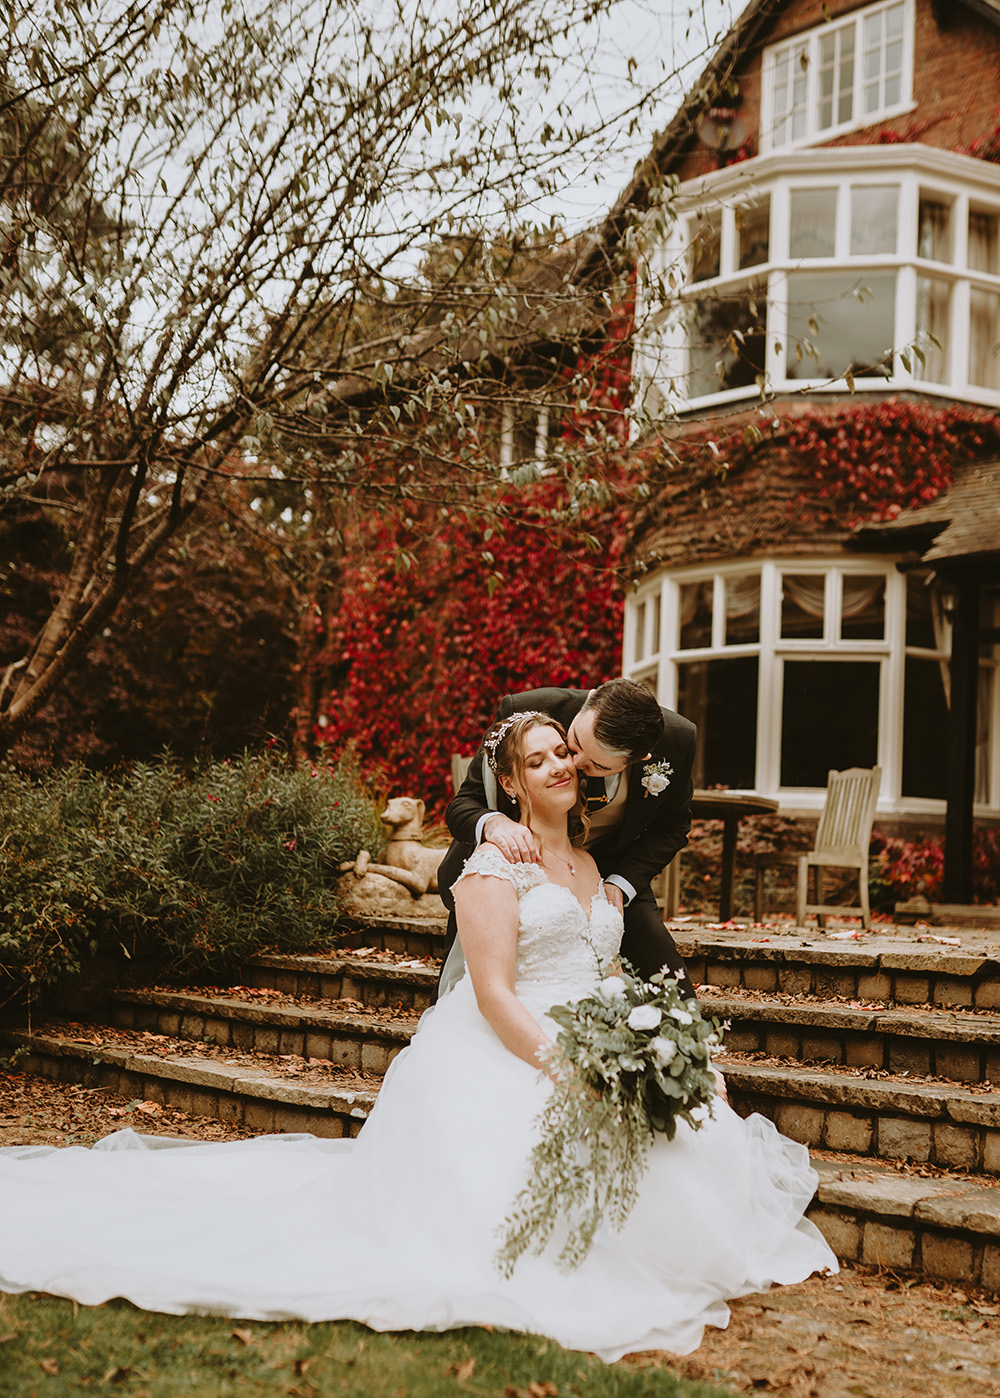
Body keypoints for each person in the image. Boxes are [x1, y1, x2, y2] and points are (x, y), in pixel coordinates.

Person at [0, 714, 835, 1361]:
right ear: (511, 785)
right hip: (521, 1044)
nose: (559, 768)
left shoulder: (591, 868)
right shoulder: (490, 868)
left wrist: (670, 1046)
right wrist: (565, 1067)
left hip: (602, 1030)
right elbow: (495, 990)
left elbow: (606, 970)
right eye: (539, 760)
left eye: (565, 759)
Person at [437, 680, 697, 998]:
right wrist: (495, 825)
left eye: (595, 764)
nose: (570, 765)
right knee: (466, 990)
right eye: (572, 743)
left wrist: (621, 883)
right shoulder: (526, 711)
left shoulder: (678, 740)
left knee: (671, 985)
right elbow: (463, 804)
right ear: (589, 705)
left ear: (640, 758)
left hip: (607, 872)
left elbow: (671, 828)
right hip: (520, 866)